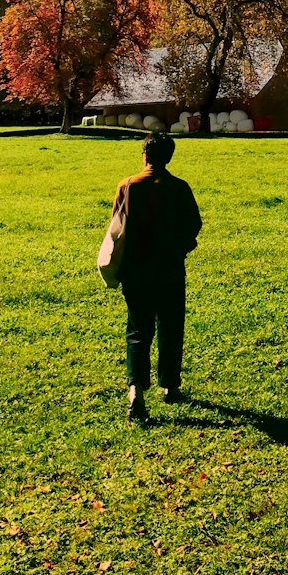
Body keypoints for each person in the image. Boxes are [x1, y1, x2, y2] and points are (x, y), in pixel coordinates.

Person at [110, 131, 202, 423]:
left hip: (135, 271)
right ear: (169, 157)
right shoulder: (180, 188)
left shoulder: (127, 186)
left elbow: (116, 228)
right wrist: (180, 249)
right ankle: (169, 385)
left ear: (145, 155)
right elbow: (193, 226)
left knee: (138, 330)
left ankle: (136, 391)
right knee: (171, 326)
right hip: (170, 269)